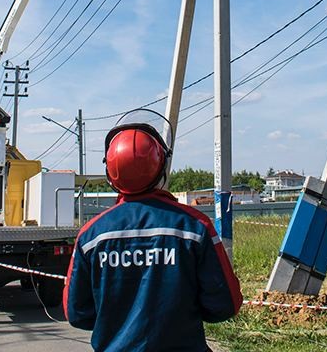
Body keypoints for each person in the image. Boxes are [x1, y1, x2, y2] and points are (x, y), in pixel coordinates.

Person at [64, 118, 242, 352]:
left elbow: (76, 313)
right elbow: (224, 304)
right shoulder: (195, 227)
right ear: (161, 167)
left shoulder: (91, 236)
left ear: (111, 172)